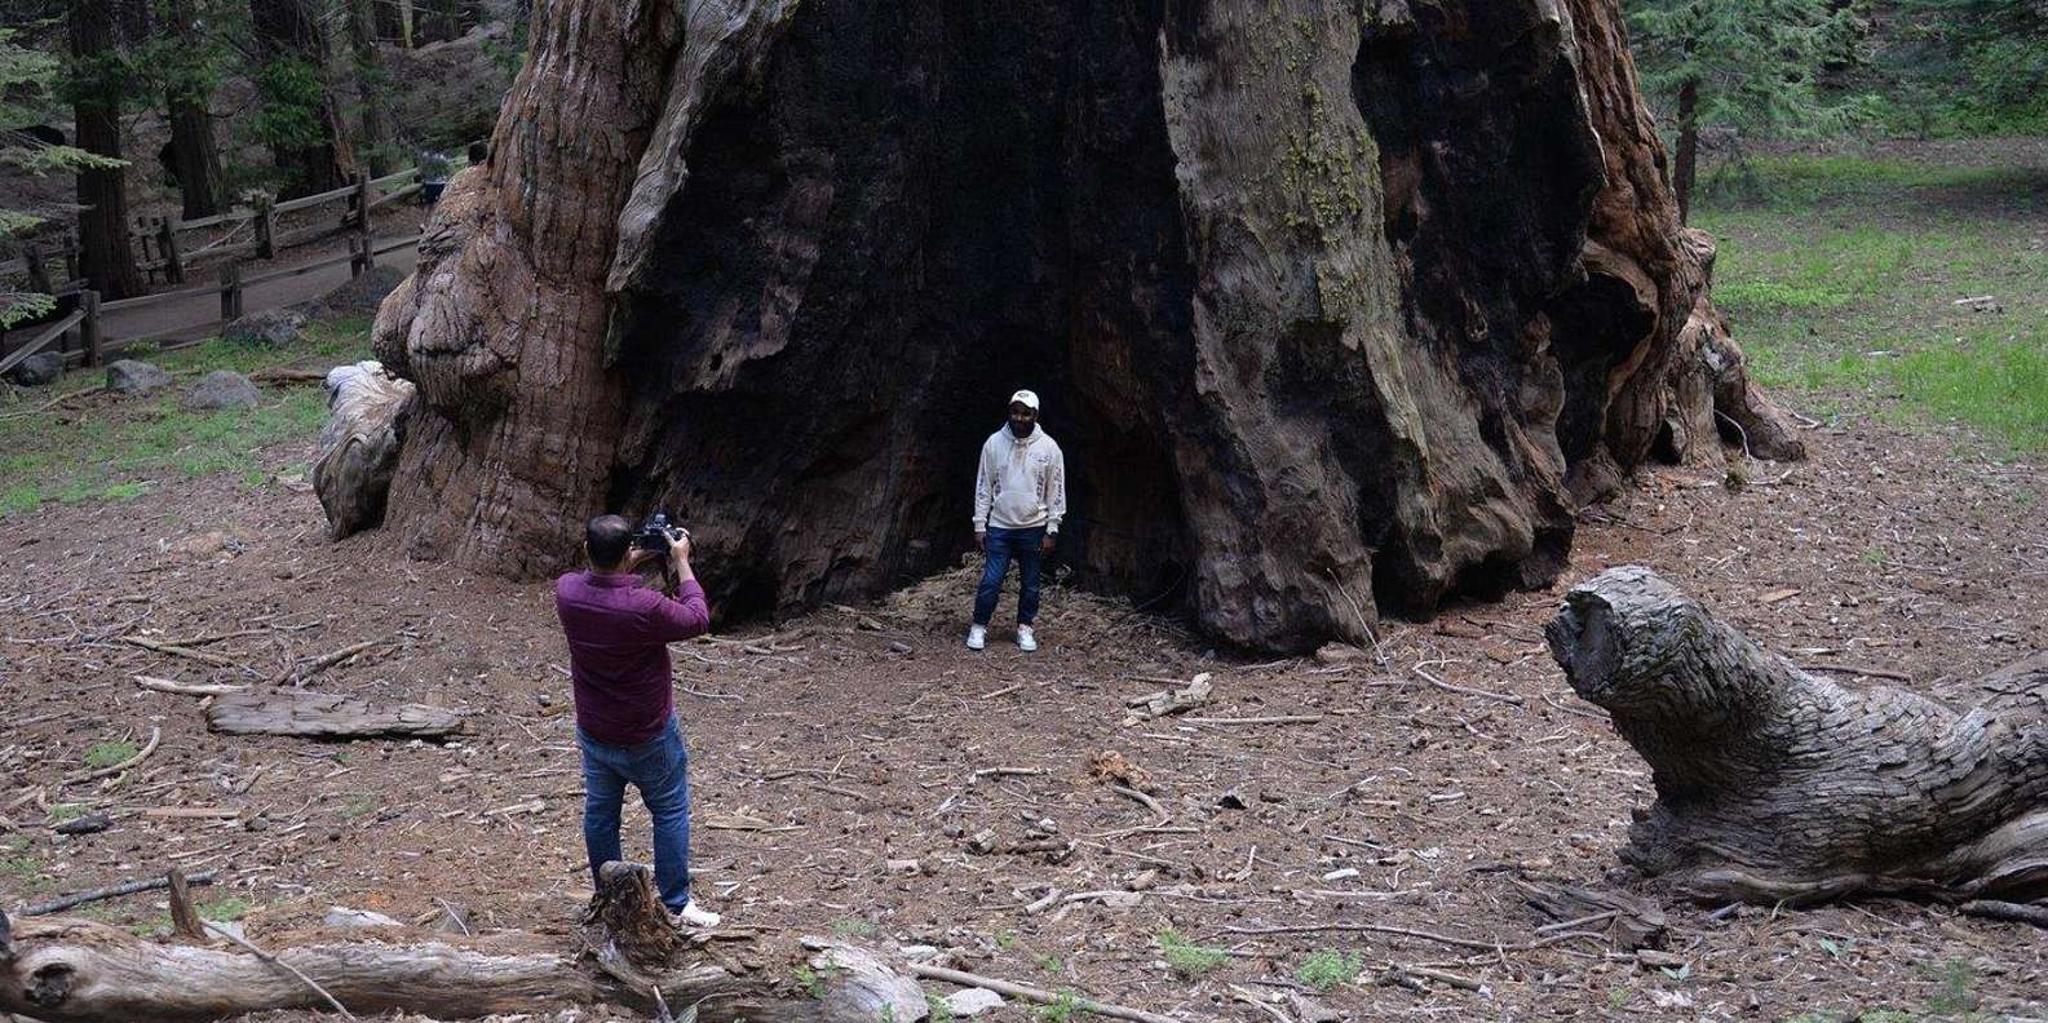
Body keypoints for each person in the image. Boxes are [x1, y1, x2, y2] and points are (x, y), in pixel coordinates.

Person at [555, 515, 721, 927]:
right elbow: (697, 617)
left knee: (601, 813)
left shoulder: (567, 592)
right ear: (626, 550)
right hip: (648, 732)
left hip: (595, 729)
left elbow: (602, 581)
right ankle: (677, 902)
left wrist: (628, 558)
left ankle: (607, 897)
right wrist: (680, 560)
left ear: (586, 549)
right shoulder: (644, 607)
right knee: (669, 811)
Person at [969, 389, 1067, 652]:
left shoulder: (1049, 448)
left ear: (1035, 415)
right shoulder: (993, 444)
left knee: (1031, 583)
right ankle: (979, 626)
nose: (1019, 418)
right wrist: (980, 524)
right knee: (991, 580)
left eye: (1025, 413)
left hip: (1033, 527)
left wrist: (1052, 529)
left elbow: (1055, 490)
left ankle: (1025, 628)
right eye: (1015, 412)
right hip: (1000, 525)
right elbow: (983, 486)